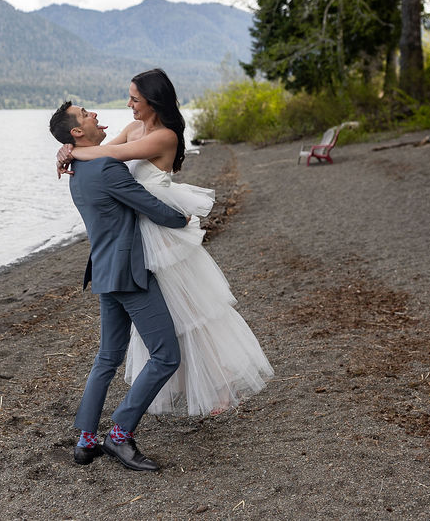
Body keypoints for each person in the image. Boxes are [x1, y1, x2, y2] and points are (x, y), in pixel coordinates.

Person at [56, 68, 273, 416]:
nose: (128, 104)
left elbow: (107, 157)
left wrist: (69, 152)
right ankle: (184, 384)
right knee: (170, 318)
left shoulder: (165, 136)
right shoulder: (133, 128)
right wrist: (69, 147)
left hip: (162, 233)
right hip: (140, 231)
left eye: (134, 99)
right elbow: (100, 151)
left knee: (191, 311)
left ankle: (218, 383)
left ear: (153, 102)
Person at [48, 100, 189, 472]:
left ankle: (86, 440)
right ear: (77, 131)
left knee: (108, 357)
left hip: (104, 271)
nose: (94, 114)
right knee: (166, 355)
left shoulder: (78, 166)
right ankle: (120, 435)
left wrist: (67, 152)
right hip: (128, 273)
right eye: (85, 114)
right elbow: (149, 205)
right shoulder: (105, 168)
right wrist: (183, 219)